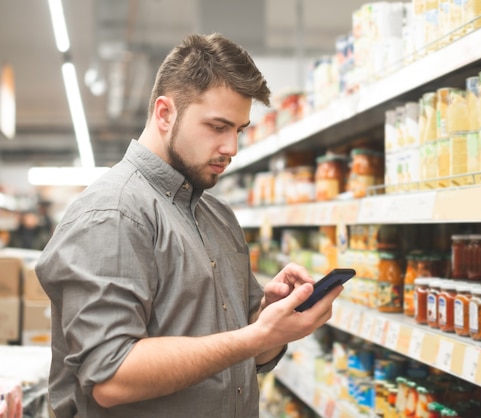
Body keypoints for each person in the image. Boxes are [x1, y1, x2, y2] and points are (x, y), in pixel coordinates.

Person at [35, 33, 343, 418]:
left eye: (240, 130)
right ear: (165, 114)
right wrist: (252, 336)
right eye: (218, 126)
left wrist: (271, 318)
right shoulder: (113, 214)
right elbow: (110, 377)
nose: (232, 147)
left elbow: (249, 354)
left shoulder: (218, 215)